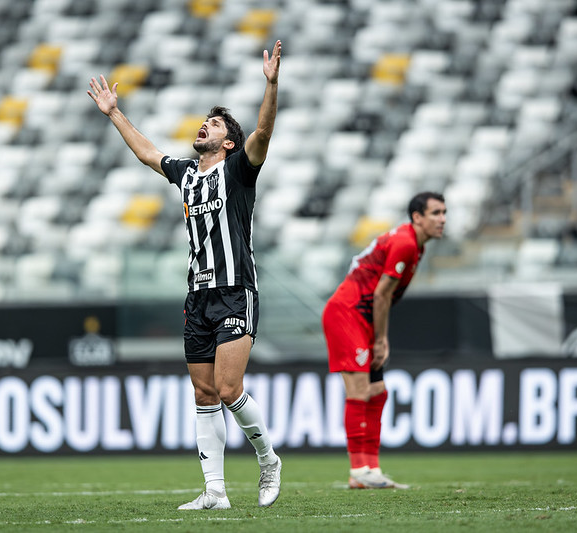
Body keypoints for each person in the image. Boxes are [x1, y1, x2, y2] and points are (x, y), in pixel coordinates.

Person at [87, 40, 283, 510]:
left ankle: (268, 459)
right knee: (204, 391)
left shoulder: (238, 169)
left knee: (231, 389)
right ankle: (215, 491)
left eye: (214, 124)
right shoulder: (189, 174)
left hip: (236, 291)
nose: (205, 125)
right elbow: (148, 153)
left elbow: (262, 131)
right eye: (205, 121)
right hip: (198, 296)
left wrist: (271, 85)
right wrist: (115, 113)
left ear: (228, 142)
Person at [322, 192, 446, 489]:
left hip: (362, 317)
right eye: (436, 213)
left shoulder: (415, 245)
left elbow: (382, 296)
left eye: (444, 213)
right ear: (417, 217)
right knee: (360, 390)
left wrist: (378, 337)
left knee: (378, 391)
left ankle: (371, 469)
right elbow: (381, 295)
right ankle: (358, 470)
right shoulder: (405, 244)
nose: (442, 220)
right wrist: (381, 340)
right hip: (348, 314)